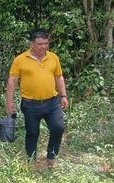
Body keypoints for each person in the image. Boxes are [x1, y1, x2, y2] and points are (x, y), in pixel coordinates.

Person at [5, 30, 69, 167]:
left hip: (52, 102)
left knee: (58, 127)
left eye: (46, 43)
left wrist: (63, 95)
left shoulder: (53, 57)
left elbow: (59, 77)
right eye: (40, 44)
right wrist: (9, 102)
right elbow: (12, 80)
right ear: (31, 44)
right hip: (30, 104)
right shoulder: (20, 59)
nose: (44, 47)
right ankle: (31, 161)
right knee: (32, 132)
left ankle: (51, 156)